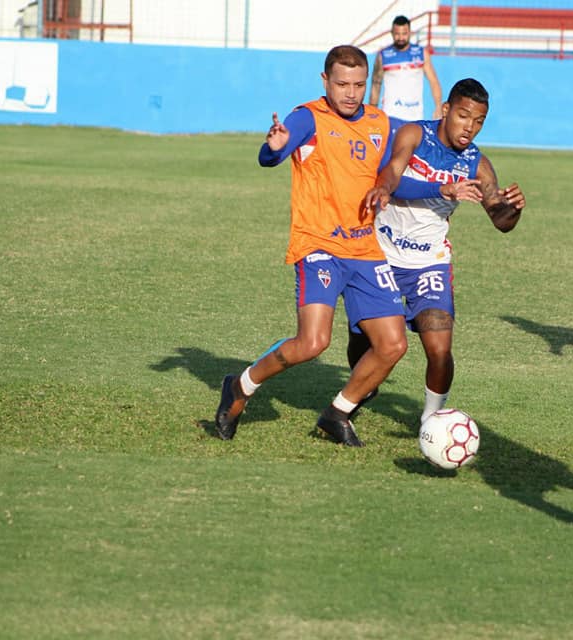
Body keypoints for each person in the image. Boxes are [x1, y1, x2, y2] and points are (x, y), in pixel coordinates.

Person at [214, 45, 408, 448]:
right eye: (341, 84)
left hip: (365, 248)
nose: (350, 93)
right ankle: (241, 385)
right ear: (325, 81)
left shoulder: (379, 121)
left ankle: (337, 412)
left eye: (357, 85)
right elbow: (273, 155)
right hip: (318, 244)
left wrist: (391, 186)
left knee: (393, 344)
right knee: (313, 343)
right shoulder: (308, 118)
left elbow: (393, 169)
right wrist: (274, 147)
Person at [349, 78, 525, 425]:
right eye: (463, 116)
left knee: (440, 348)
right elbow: (393, 173)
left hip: (429, 262)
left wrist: (513, 209)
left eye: (478, 122)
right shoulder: (415, 134)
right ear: (446, 110)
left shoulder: (477, 164)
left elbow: (500, 220)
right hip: (380, 253)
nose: (469, 128)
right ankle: (355, 395)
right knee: (364, 345)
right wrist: (401, 188)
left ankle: (432, 420)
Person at [369, 15, 443, 121]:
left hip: (415, 116)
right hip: (391, 115)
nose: (400, 38)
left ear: (410, 33)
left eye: (404, 33)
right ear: (392, 33)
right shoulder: (383, 55)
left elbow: (434, 81)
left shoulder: (421, 53)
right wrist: (372, 111)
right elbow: (376, 84)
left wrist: (438, 106)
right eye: (397, 34)